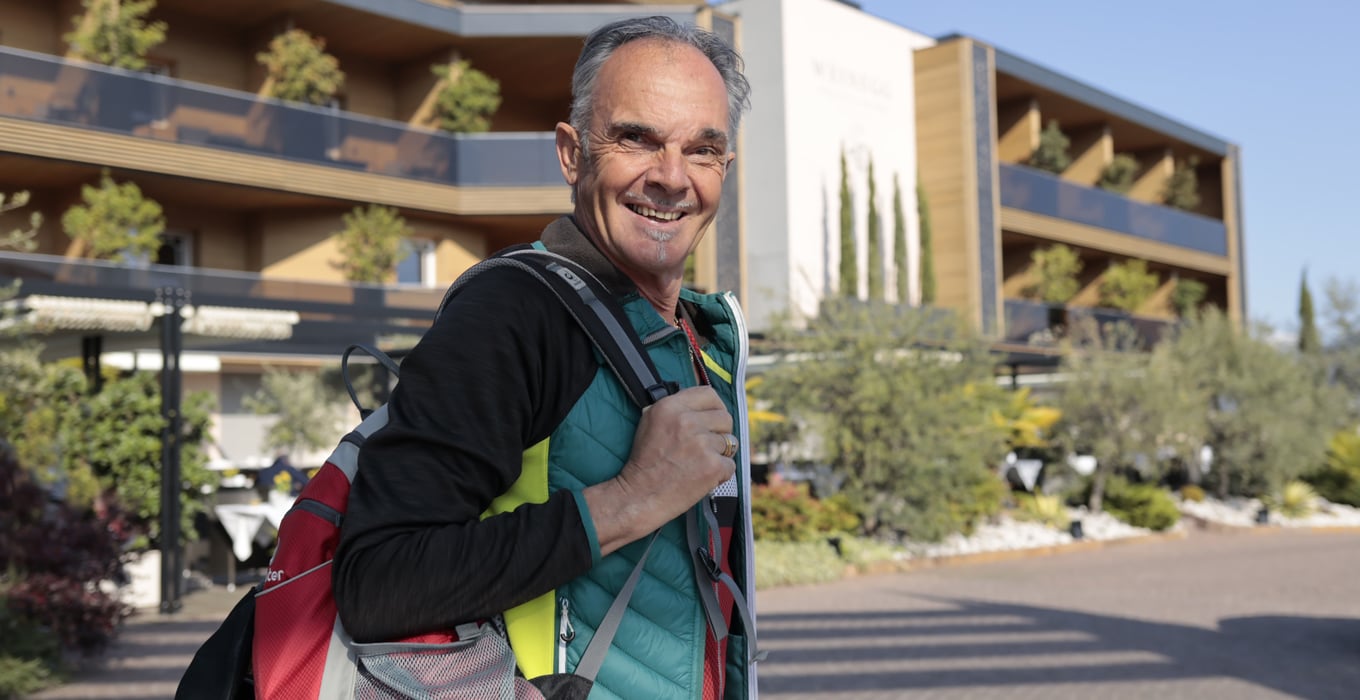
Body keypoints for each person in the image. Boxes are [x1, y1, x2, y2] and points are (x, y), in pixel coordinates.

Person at [332, 15, 759, 700]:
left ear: (725, 169)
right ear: (571, 153)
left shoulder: (697, 338)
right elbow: (379, 580)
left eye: (702, 150)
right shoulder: (512, 313)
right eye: (636, 139)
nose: (671, 178)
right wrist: (629, 500)